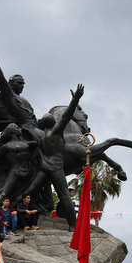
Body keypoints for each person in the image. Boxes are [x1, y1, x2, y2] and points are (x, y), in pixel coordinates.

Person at [25, 84, 84, 232]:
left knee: (64, 195)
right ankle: (24, 217)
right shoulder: (43, 134)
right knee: (29, 192)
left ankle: (73, 225)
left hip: (56, 168)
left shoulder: (56, 131)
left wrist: (75, 100)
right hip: (45, 169)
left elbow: (66, 116)